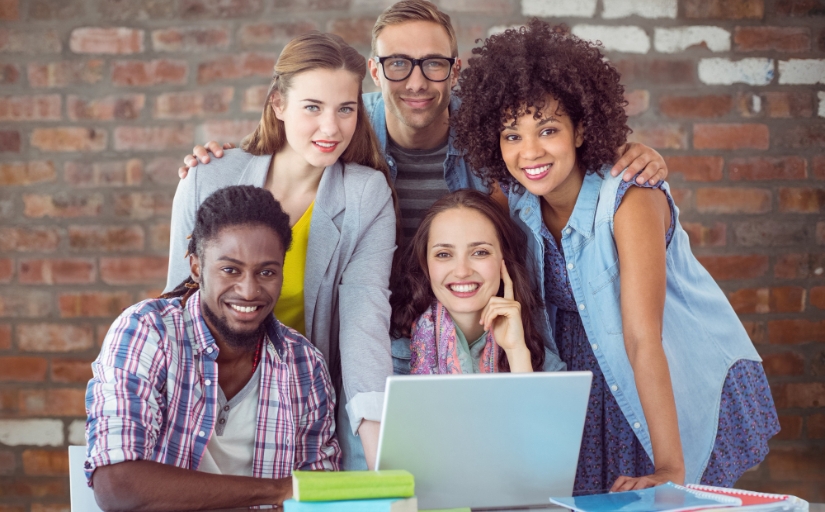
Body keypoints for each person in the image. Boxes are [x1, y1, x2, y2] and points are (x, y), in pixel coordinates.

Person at [452, 20, 779, 493]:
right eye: (512, 135)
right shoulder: (513, 197)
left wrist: (669, 467)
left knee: (655, 496)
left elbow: (642, 336)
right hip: (576, 378)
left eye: (548, 129)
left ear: (581, 128)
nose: (530, 152)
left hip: (658, 374)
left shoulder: (631, 199)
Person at [180, 0, 672, 242]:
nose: (416, 82)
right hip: (374, 323)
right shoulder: (344, 124)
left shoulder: (491, 131)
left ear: (455, 70)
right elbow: (288, 142)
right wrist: (218, 161)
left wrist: (625, 154)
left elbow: (551, 153)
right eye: (398, 63)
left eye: (433, 63)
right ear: (375, 71)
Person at [165, 32, 396, 471]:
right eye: (313, 107)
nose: (331, 128)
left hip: (300, 405)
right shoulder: (207, 177)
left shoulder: (365, 195)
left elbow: (364, 321)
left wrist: (383, 464)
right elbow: (179, 303)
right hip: (209, 393)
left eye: (345, 109)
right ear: (278, 104)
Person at [85, 186, 340, 512]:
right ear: (196, 267)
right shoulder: (147, 332)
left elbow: (321, 496)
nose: (249, 291)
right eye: (230, 269)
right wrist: (275, 491)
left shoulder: (304, 364)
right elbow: (117, 486)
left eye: (266, 272)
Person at [390, 190, 548, 374]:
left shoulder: (544, 362)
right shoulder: (389, 359)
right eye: (444, 254)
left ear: (504, 259)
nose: (462, 271)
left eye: (480, 252)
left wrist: (516, 353)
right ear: (425, 264)